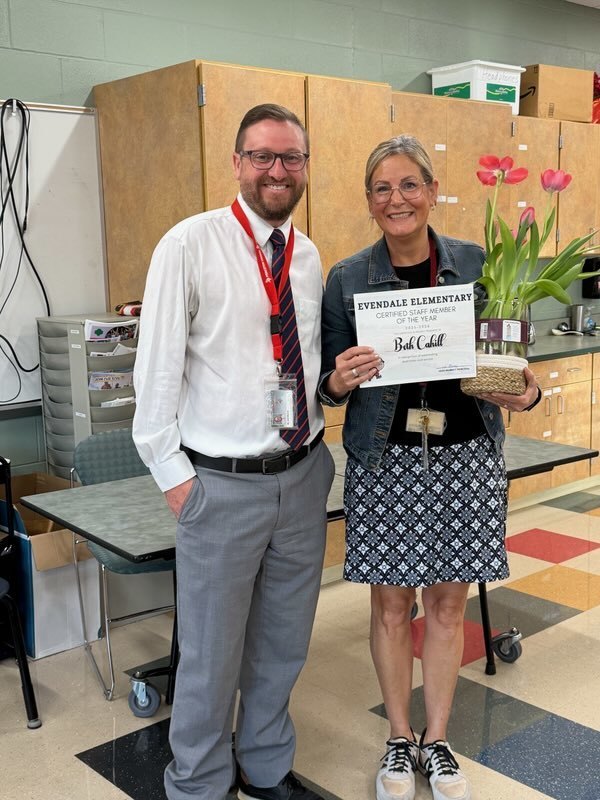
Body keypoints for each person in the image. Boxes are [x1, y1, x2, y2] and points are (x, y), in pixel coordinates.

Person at [319, 135, 540, 800]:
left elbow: (519, 377)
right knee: (391, 606)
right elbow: (327, 389)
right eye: (382, 189)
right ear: (369, 202)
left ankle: (436, 741)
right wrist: (340, 378)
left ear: (433, 190)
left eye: (409, 185)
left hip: (466, 454)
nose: (396, 199)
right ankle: (397, 736)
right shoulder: (348, 278)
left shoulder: (482, 264)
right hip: (384, 459)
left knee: (446, 606)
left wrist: (521, 392)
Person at [133, 104, 335, 800]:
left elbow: (307, 362)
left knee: (283, 643)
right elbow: (155, 373)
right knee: (211, 657)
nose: (277, 170)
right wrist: (176, 479)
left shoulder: (308, 257)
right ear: (237, 162)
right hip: (220, 486)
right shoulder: (188, 245)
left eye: (291, 158)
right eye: (263, 156)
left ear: (305, 167)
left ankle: (265, 763)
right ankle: (197, 781)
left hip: (303, 474)